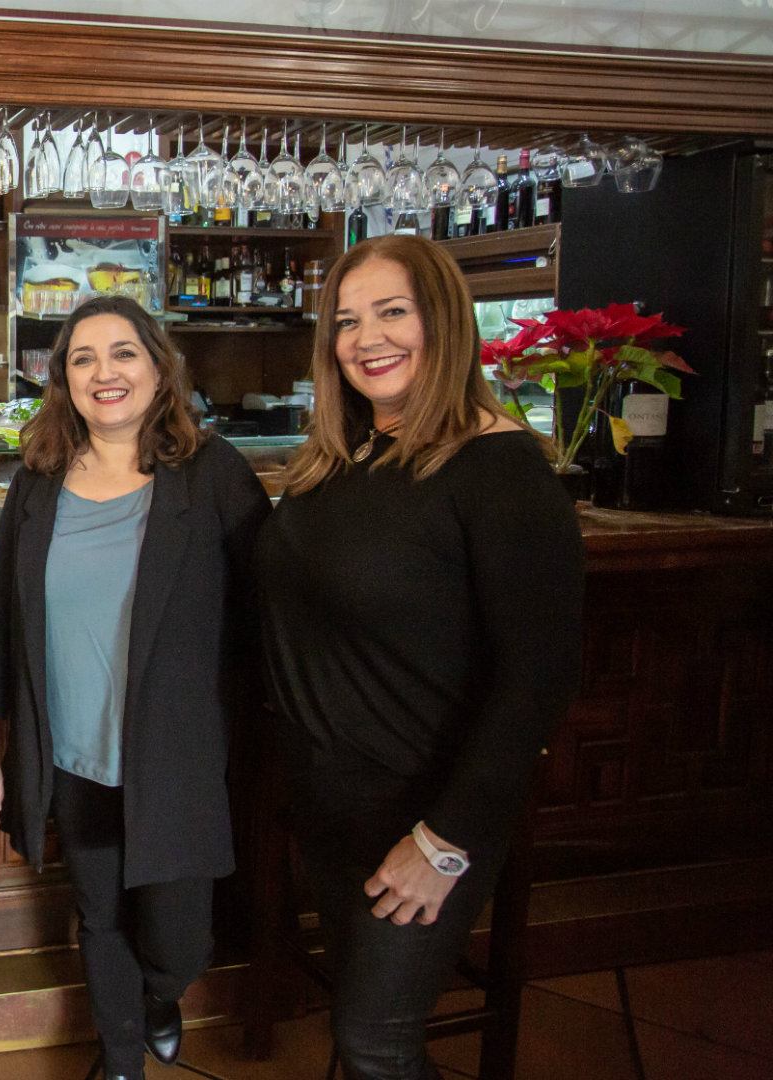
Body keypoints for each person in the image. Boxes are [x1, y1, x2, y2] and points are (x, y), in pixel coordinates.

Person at [254, 234, 584, 1080]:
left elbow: (536, 681)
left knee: (375, 1041)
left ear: (442, 321)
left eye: (392, 312)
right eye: (348, 320)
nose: (368, 338)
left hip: (424, 810)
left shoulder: (498, 468)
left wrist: (445, 841)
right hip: (331, 806)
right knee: (364, 1032)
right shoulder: (343, 457)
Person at [0, 294, 270, 1080]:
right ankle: (120, 1057)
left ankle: (160, 996)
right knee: (98, 916)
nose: (105, 373)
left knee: (179, 940)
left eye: (123, 353)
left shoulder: (212, 474)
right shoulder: (38, 481)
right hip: (71, 753)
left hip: (176, 759)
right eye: (82, 358)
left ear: (159, 366)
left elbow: (272, 607)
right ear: (62, 379)